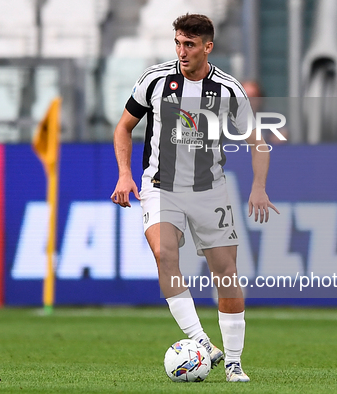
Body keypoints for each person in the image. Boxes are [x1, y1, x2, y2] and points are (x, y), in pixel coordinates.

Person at [110, 13, 279, 383]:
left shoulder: (229, 90)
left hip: (209, 190)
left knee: (226, 273)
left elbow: (258, 141)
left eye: (189, 44)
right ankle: (202, 342)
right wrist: (124, 173)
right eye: (177, 43)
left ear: (207, 47)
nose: (181, 51)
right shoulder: (155, 81)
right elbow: (123, 126)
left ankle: (234, 363)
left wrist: (259, 186)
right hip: (160, 185)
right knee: (163, 254)